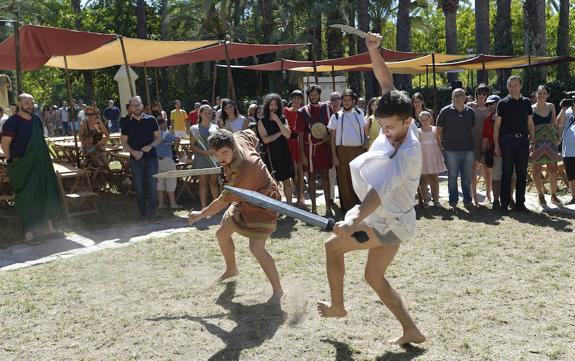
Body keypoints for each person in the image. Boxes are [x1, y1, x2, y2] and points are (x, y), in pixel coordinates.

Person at [317, 32, 425, 346]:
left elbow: (379, 192)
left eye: (391, 127)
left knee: (332, 247)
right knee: (373, 277)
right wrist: (373, 51)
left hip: (388, 220)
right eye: (382, 127)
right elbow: (386, 81)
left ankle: (338, 307)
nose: (386, 133)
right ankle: (411, 330)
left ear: (408, 121)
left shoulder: (407, 153)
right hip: (393, 219)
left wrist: (353, 221)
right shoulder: (399, 114)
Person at [188, 129, 284, 303]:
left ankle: (278, 290)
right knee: (222, 234)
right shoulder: (237, 137)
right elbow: (251, 135)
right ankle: (231, 269)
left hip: (264, 203)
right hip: (243, 199)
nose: (221, 159)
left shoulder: (245, 170)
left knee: (256, 247)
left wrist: (200, 214)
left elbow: (222, 201)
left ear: (233, 147)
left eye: (224, 153)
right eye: (216, 154)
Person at [1, 93, 63, 243]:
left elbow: (39, 143)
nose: (30, 105)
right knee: (25, 197)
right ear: (19, 104)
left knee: (43, 192)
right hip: (21, 165)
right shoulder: (12, 121)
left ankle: (48, 227)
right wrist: (10, 162)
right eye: (26, 102)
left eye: (31, 102)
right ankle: (28, 232)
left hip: (39, 164)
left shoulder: (36, 120)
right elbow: (5, 144)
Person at [494, 76, 535, 213]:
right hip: (507, 141)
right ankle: (504, 204)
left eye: (515, 85)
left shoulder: (527, 102)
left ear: (520, 86)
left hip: (523, 141)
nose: (513, 88)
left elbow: (530, 123)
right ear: (507, 87)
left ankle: (520, 204)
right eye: (510, 86)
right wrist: (497, 145)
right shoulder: (502, 103)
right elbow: (497, 126)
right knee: (506, 172)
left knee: (522, 173)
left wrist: (533, 142)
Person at [121, 96, 161, 219]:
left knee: (152, 186)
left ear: (142, 106)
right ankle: (143, 214)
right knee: (139, 188)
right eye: (133, 105)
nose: (136, 107)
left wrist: (150, 146)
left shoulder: (151, 120)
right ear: (130, 108)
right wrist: (133, 152)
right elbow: (124, 142)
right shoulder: (126, 122)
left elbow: (158, 138)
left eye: (138, 105)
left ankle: (152, 214)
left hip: (151, 158)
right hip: (135, 160)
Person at [328, 89, 368, 213]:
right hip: (342, 151)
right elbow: (333, 138)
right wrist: (334, 155)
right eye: (344, 100)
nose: (346, 102)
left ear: (353, 101)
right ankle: (347, 208)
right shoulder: (336, 116)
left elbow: (365, 131)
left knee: (358, 179)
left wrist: (366, 143)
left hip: (358, 151)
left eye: (348, 100)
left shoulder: (359, 113)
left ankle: (360, 207)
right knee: (344, 180)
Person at [296, 84, 333, 215]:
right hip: (309, 148)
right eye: (311, 95)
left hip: (323, 148)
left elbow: (332, 127)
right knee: (311, 176)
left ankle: (328, 207)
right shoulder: (303, 111)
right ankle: (314, 207)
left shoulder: (327, 108)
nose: (314, 97)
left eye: (316, 94)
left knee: (325, 176)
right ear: (308, 96)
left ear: (319, 95)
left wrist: (328, 137)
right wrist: (303, 155)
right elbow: (300, 134)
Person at [437, 88, 476, 209]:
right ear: (452, 98)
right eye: (456, 95)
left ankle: (467, 200)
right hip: (450, 150)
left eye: (461, 94)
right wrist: (442, 145)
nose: (459, 97)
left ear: (465, 97)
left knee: (466, 176)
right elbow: (439, 131)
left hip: (468, 149)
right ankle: (453, 201)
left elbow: (473, 130)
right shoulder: (445, 111)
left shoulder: (471, 112)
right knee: (452, 176)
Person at [258, 93, 294, 204]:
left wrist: (278, 121)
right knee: (274, 184)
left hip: (283, 153)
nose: (273, 107)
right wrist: (280, 133)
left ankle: (290, 206)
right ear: (267, 106)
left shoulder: (283, 119)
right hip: (270, 155)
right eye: (271, 104)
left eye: (275, 105)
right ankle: (276, 208)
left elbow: (288, 134)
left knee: (287, 182)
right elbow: (266, 140)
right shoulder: (262, 121)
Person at [530, 85, 562, 206]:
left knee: (552, 169)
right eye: (539, 93)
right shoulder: (531, 108)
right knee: (536, 170)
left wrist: (556, 137)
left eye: (544, 93)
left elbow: (554, 123)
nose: (541, 95)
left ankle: (553, 195)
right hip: (536, 141)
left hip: (550, 141)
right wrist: (532, 142)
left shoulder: (551, 106)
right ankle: (540, 195)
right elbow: (530, 126)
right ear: (536, 94)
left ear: (547, 95)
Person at [189, 104, 220, 208]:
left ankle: (216, 207)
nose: (208, 115)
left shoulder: (215, 127)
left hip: (213, 158)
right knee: (202, 183)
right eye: (205, 113)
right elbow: (192, 145)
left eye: (209, 113)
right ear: (200, 113)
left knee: (214, 182)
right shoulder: (194, 128)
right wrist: (203, 152)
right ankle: (204, 207)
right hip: (201, 158)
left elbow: (219, 142)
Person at [468, 84, 491, 205]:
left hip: (486, 142)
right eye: (478, 93)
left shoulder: (490, 107)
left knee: (487, 169)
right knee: (473, 169)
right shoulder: (470, 106)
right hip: (472, 141)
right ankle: (474, 196)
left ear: (487, 95)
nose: (481, 95)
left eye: (483, 93)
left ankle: (488, 195)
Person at [418, 111, 446, 207]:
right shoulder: (418, 131)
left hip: (434, 156)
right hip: (423, 158)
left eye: (427, 119)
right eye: (422, 119)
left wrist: (442, 154)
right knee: (424, 180)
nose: (425, 121)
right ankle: (426, 200)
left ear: (430, 119)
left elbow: (439, 143)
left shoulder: (435, 130)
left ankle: (436, 200)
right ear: (420, 120)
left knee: (434, 178)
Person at [284, 90, 305, 205]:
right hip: (287, 144)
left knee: (299, 171)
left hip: (299, 143)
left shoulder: (304, 112)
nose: (296, 100)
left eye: (299, 98)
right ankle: (293, 194)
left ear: (302, 100)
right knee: (291, 171)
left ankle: (300, 196)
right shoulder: (286, 111)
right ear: (291, 99)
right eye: (294, 98)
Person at [155, 118, 182, 209]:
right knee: (171, 181)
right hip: (166, 160)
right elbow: (176, 139)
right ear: (161, 124)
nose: (166, 125)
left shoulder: (152, 133)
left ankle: (161, 203)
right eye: (165, 123)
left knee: (160, 182)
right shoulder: (163, 133)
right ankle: (173, 203)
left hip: (156, 160)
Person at [481, 95, 502, 208]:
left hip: (508, 151)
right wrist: (483, 154)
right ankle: (495, 200)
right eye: (487, 104)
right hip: (495, 152)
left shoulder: (506, 117)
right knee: (495, 177)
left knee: (510, 177)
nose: (489, 106)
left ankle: (508, 198)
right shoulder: (487, 120)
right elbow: (484, 138)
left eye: (491, 104)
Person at [79, 106, 110, 172]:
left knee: (104, 163)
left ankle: (104, 177)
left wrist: (102, 143)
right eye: (88, 114)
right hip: (89, 149)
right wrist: (86, 144)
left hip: (100, 148)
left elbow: (107, 135)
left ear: (95, 114)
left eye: (92, 114)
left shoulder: (98, 123)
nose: (90, 116)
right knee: (95, 163)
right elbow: (80, 137)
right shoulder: (85, 123)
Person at [557, 98, 575, 205]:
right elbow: (559, 123)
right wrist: (563, 109)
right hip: (568, 151)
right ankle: (574, 197)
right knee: (571, 176)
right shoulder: (567, 112)